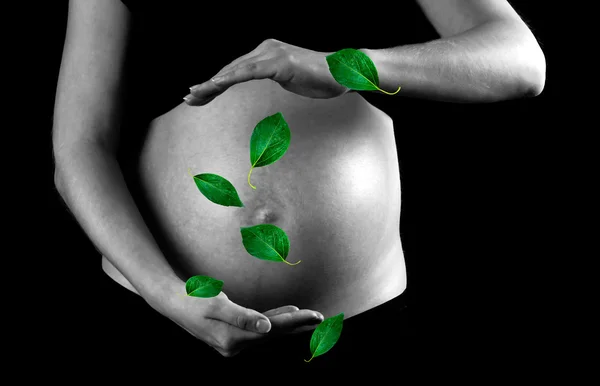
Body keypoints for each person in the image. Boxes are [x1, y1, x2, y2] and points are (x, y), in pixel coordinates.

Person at [52, 0, 545, 372]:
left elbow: (520, 59)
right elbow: (79, 146)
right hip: (157, 310)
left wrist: (345, 66)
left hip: (357, 318)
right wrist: (167, 295)